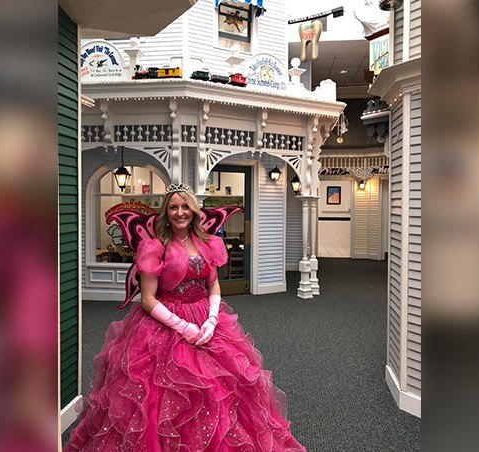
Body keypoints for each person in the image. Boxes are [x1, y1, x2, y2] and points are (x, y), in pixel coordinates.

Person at [65, 184, 306, 451]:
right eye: (173, 207)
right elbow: (147, 299)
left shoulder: (208, 243)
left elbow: (213, 284)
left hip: (205, 318)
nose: (180, 213)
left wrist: (212, 320)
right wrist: (183, 327)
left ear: (193, 210)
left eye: (184, 207)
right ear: (165, 212)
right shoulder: (154, 247)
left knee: (222, 390)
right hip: (164, 323)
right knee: (160, 397)